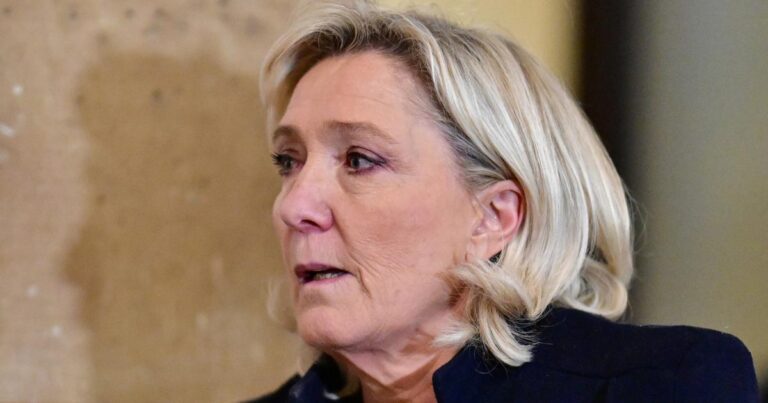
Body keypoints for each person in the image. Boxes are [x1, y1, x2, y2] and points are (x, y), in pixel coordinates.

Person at [249, 1, 760, 402]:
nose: (293, 207)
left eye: (359, 160)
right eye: (288, 162)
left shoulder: (662, 385)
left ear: (492, 218)